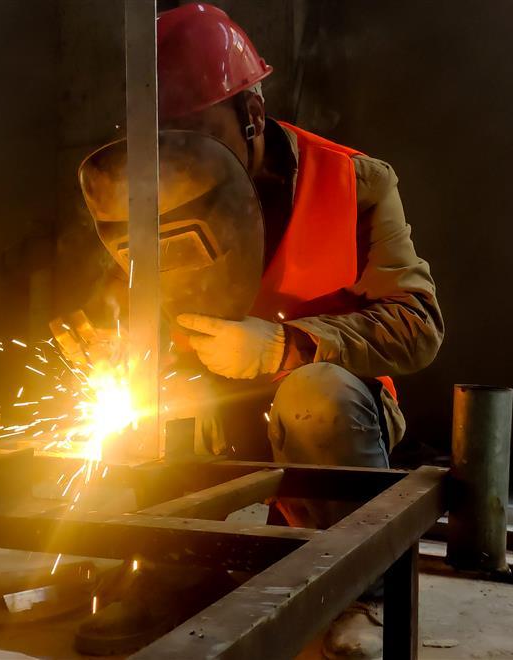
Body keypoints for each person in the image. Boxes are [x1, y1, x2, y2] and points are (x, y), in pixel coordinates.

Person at [78, 4, 443, 658]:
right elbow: (121, 309)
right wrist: (109, 343)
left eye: (198, 135)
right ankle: (176, 569)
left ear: (251, 113)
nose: (181, 161)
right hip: (215, 412)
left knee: (314, 394)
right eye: (165, 141)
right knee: (151, 397)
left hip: (330, 418)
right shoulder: (152, 197)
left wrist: (288, 346)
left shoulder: (355, 181)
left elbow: (418, 326)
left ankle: (364, 595)